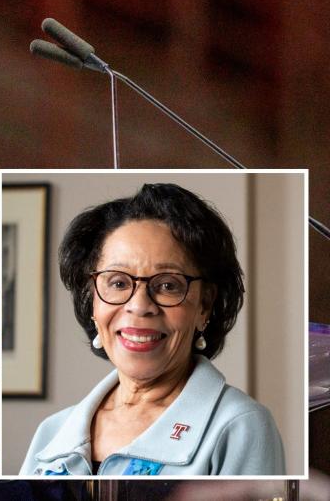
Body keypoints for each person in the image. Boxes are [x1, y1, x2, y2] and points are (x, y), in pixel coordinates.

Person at [20, 183, 285, 476]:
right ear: (91, 301)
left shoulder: (240, 425)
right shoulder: (52, 432)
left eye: (168, 285)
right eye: (118, 283)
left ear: (205, 306)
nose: (139, 306)